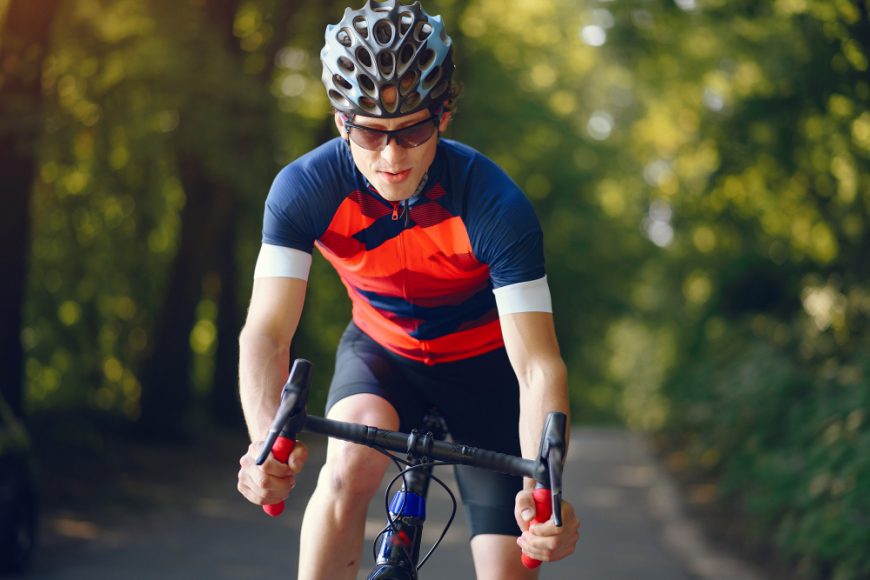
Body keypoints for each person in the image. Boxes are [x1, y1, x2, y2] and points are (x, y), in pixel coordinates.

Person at [236, 1, 580, 578]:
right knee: (348, 463)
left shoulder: (495, 205)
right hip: (381, 355)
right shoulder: (304, 189)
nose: (391, 157)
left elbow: (539, 367)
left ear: (443, 115)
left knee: (508, 565)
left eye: (413, 130)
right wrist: (263, 444)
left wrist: (547, 492)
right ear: (339, 118)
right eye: (369, 133)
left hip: (485, 375)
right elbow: (267, 332)